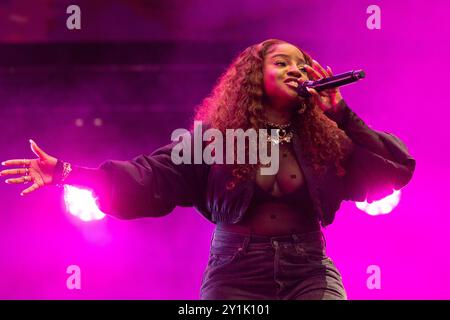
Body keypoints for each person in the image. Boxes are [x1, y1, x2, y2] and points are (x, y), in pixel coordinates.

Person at [0, 39, 415, 300]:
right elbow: (149, 176)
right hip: (236, 271)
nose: (296, 70)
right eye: (282, 63)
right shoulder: (214, 140)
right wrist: (69, 172)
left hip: (308, 267)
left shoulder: (326, 137)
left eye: (302, 66)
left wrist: (341, 113)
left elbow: (395, 168)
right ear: (254, 78)